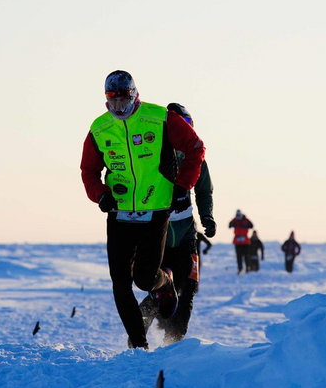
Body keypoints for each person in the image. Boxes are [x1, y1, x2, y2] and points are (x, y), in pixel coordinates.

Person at [80, 72, 206, 350]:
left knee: (144, 279)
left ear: (134, 94)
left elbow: (196, 148)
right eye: (112, 99)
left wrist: (182, 186)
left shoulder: (160, 118)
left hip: (156, 210)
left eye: (124, 98)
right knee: (120, 281)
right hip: (119, 212)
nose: (119, 105)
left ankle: (164, 282)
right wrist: (100, 195)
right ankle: (138, 344)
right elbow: (88, 170)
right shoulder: (100, 128)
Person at [138, 102, 216, 345]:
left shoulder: (196, 158)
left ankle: (175, 341)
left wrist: (208, 217)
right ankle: (137, 337)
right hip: (157, 235)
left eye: (187, 127)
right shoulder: (151, 155)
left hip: (186, 236)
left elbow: (204, 190)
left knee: (189, 289)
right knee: (158, 290)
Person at [229, 209, 254, 274]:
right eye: (237, 215)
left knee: (246, 255)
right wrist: (232, 225)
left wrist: (246, 225)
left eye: (239, 215)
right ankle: (240, 269)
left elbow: (251, 225)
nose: (238, 216)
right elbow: (229, 225)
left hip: (245, 241)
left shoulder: (246, 220)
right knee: (239, 256)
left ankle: (248, 267)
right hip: (237, 241)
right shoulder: (234, 220)